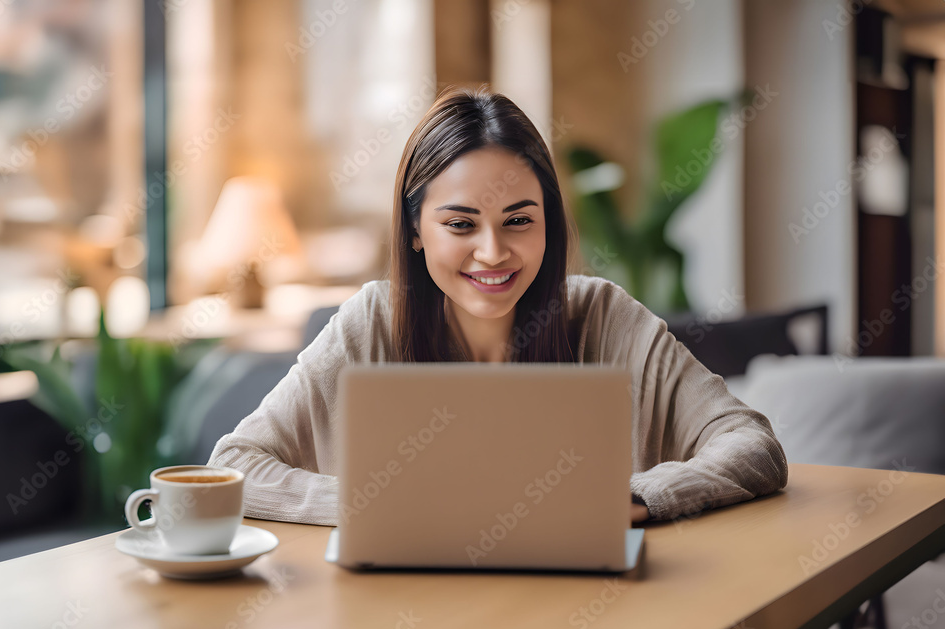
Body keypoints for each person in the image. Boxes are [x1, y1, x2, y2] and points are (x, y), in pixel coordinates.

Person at [207, 84, 788, 527]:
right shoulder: (371, 324)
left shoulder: (605, 318)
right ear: (414, 231)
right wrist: (379, 504)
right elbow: (233, 466)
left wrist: (637, 498)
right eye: (461, 224)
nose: (492, 252)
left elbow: (752, 444)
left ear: (548, 223)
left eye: (518, 221)